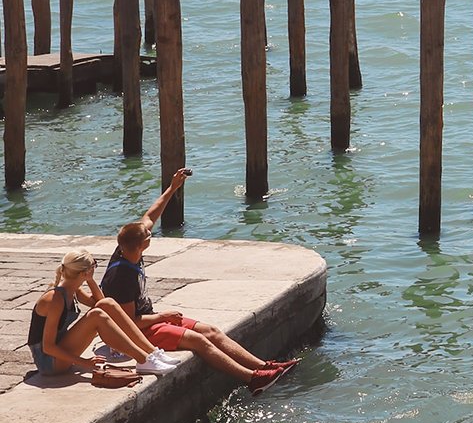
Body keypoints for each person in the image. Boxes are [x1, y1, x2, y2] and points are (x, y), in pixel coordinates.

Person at [102, 168, 296, 395]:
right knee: (197, 340)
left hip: (149, 319)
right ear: (141, 246)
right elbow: (131, 323)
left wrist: (172, 188)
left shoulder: (127, 246)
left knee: (211, 331)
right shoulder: (121, 277)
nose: (150, 234)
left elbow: (150, 216)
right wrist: (163, 317)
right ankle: (251, 379)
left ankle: (263, 366)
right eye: (148, 237)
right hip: (138, 332)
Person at [29, 250, 178, 377]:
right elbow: (48, 347)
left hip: (60, 349)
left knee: (108, 304)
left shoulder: (73, 288)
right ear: (85, 271)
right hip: (49, 361)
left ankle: (152, 353)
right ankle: (143, 360)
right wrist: (83, 362)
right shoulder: (54, 299)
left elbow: (101, 302)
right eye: (94, 265)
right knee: (96, 316)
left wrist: (90, 280)